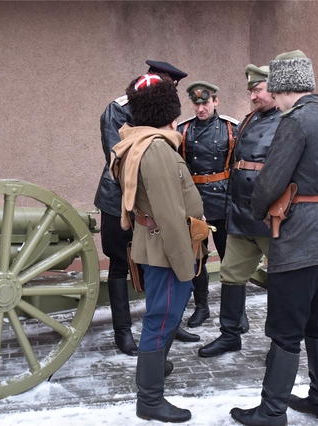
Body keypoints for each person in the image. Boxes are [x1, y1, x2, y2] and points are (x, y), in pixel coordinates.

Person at [229, 50, 318, 426]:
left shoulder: (295, 121)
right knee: (317, 321)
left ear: (283, 87)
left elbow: (269, 182)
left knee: (284, 328)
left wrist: (257, 209)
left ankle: (272, 411)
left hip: (297, 233)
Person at [110, 73, 203, 423]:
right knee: (161, 320)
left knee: (164, 315)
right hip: (169, 250)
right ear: (169, 112)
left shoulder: (138, 142)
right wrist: (186, 265)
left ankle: (157, 366)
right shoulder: (157, 149)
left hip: (157, 246)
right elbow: (169, 214)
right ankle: (149, 400)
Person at [94, 60, 198, 356]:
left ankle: (169, 324)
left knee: (160, 263)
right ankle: (123, 332)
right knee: (119, 264)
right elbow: (119, 159)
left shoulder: (161, 112)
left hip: (158, 201)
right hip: (120, 201)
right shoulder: (118, 108)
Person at [198, 65, 281, 357]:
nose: (253, 96)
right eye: (251, 91)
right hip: (242, 218)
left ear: (275, 89)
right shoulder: (248, 121)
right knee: (231, 275)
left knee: (283, 283)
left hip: (274, 220)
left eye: (257, 90)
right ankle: (230, 334)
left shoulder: (289, 121)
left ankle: (281, 346)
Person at [176, 82, 238, 328]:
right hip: (195, 202)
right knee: (197, 258)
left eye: (205, 103)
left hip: (223, 202)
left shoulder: (231, 129)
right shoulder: (183, 131)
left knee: (230, 259)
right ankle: (202, 307)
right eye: (196, 103)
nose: (201, 108)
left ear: (216, 101)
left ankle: (235, 311)